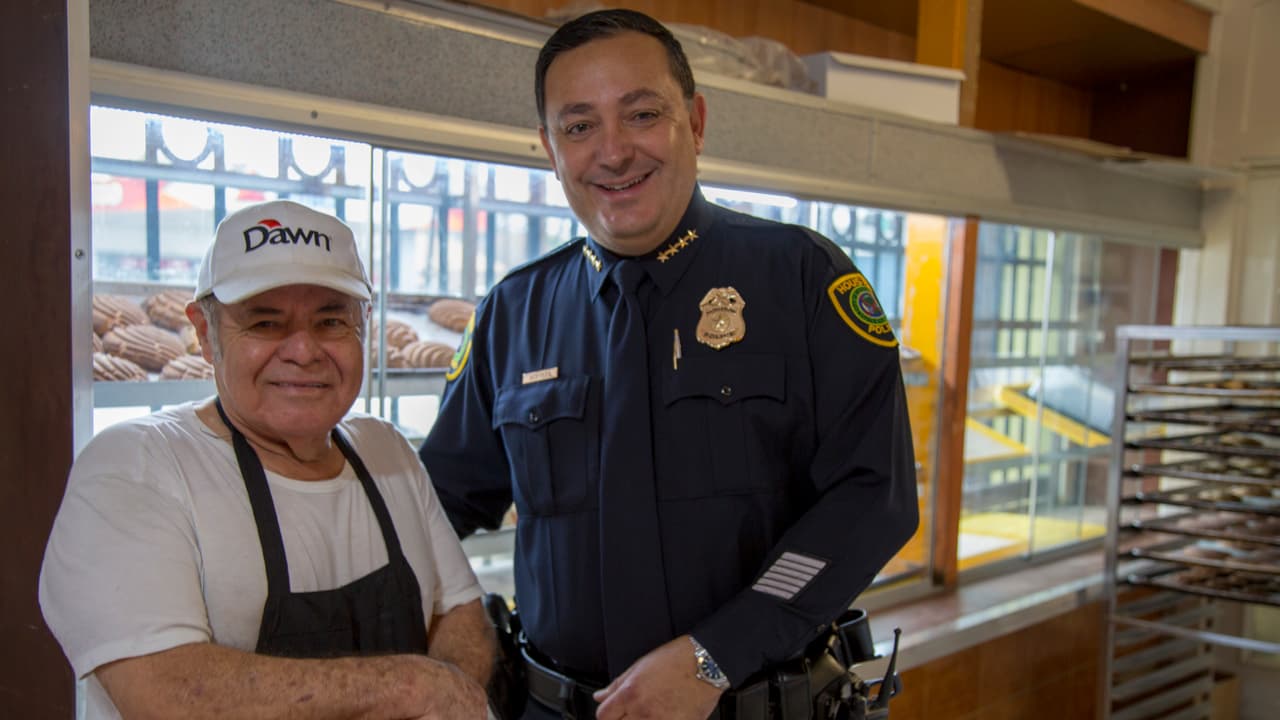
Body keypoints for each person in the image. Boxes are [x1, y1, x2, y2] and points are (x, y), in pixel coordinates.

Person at [418, 9, 919, 720]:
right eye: (579, 126)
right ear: (550, 149)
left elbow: (872, 499)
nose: (613, 152)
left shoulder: (802, 279)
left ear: (697, 121)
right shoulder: (512, 312)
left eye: (643, 114)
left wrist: (718, 654)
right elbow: (438, 505)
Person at [40, 200, 496, 719]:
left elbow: (460, 614)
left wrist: (451, 693)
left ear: (364, 325)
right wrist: (413, 687)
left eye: (331, 320)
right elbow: (170, 694)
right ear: (206, 333)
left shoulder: (385, 450)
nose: (304, 350)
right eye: (264, 322)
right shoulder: (135, 468)